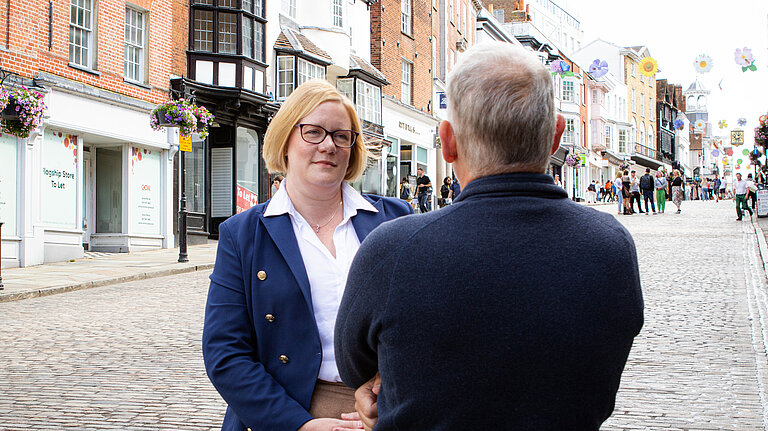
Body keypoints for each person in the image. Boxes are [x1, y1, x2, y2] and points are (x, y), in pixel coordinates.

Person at [335, 41, 644, 431]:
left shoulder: (394, 249)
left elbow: (354, 366)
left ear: (447, 142)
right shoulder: (610, 246)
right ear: (556, 136)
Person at [202, 80, 412, 431]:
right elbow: (225, 352)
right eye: (313, 132)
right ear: (285, 140)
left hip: (387, 410)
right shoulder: (242, 234)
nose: (328, 145)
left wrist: (381, 380)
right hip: (286, 412)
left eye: (341, 136)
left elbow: (424, 323)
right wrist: (299, 425)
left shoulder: (396, 218)